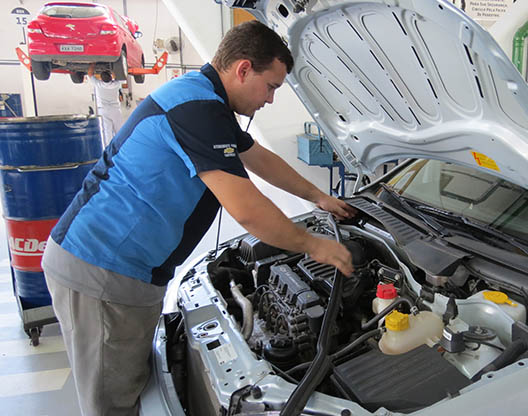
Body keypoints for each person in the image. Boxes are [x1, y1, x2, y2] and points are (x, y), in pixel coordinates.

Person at [42, 21, 356, 416]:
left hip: (122, 269)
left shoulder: (205, 100)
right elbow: (248, 209)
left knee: (129, 388)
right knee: (111, 406)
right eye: (271, 86)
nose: (271, 99)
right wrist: (314, 245)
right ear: (243, 69)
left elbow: (258, 157)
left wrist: (318, 196)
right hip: (102, 270)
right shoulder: (199, 110)